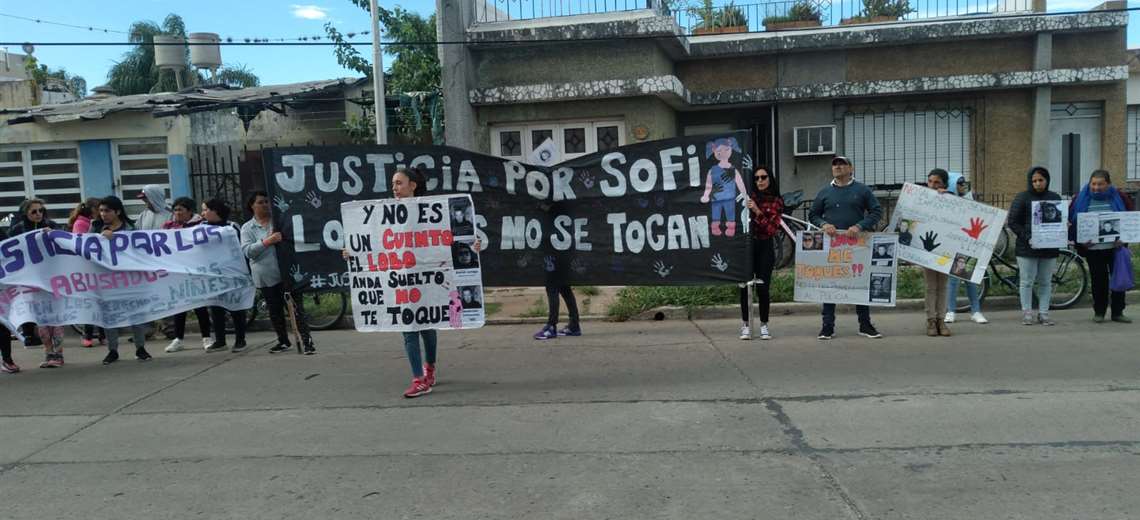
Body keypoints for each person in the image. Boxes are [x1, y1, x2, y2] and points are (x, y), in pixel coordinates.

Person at [342, 166, 481, 398]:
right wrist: (352, 251)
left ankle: (430, 369)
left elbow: (459, 237)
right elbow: (372, 242)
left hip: (427, 281)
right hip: (400, 281)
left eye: (399, 183)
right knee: (408, 328)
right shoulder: (382, 212)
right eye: (393, 183)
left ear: (412, 186)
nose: (394, 188)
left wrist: (475, 245)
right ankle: (418, 379)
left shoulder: (431, 210)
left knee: (427, 325)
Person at [808, 156, 884, 340]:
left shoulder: (862, 190)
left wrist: (860, 226)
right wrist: (823, 224)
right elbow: (813, 214)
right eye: (835, 164)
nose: (838, 167)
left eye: (842, 164)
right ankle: (827, 326)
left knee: (860, 283)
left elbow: (876, 211)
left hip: (857, 245)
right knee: (830, 283)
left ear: (851, 168)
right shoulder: (825, 192)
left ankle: (865, 324)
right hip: (833, 246)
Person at [241, 191, 316, 355]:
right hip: (266, 276)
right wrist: (267, 241)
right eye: (260, 202)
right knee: (275, 311)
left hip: (287, 274)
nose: (265, 205)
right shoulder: (247, 228)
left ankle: (307, 341)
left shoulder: (280, 221)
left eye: (267, 201)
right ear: (252, 206)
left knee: (296, 309)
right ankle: (283, 340)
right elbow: (248, 251)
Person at [1069, 170, 1134, 324]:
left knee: (1118, 278)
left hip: (1115, 248)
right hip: (1093, 249)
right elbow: (1072, 223)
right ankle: (1099, 312)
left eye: (1100, 184)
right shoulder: (1080, 198)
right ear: (1090, 183)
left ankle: (1118, 312)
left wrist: (1124, 238)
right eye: (1094, 184)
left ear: (1108, 184)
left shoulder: (1120, 197)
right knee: (1099, 281)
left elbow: (1130, 219)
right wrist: (1081, 241)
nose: (1096, 187)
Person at [93, 196, 152, 364]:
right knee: (110, 315)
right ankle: (112, 350)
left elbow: (138, 251)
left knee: (136, 314)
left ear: (117, 212)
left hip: (129, 278)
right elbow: (85, 247)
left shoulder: (130, 229)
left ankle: (140, 348)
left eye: (107, 211)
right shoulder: (95, 228)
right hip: (106, 280)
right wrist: (100, 238)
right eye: (101, 210)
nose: (103, 214)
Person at [1007, 166, 1062, 326]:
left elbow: (1059, 219)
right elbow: (1013, 222)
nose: (1037, 183)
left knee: (1045, 281)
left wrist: (1064, 225)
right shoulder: (1022, 197)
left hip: (1049, 247)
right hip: (1027, 248)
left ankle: (1044, 313)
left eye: (1041, 180)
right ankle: (1027, 313)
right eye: (1034, 180)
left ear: (1047, 180)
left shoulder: (1054, 197)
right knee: (1027, 281)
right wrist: (1028, 237)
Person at [7, 199, 61, 352]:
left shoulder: (51, 225)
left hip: (49, 274)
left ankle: (58, 351)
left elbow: (65, 241)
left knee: (52, 312)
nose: (39, 214)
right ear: (25, 214)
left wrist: (54, 234)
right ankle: (31, 334)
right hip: (27, 275)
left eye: (41, 210)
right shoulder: (17, 229)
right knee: (29, 305)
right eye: (34, 211)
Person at [162, 197, 213, 353]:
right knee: (180, 306)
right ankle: (178, 338)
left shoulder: (200, 225)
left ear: (190, 211)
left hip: (196, 270)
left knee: (200, 306)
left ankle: (206, 337)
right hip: (177, 270)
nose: (177, 213)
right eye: (175, 210)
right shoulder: (168, 227)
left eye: (180, 210)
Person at [739, 165, 783, 341]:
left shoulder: (776, 201)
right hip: (747, 247)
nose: (760, 181)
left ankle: (764, 324)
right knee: (745, 288)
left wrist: (757, 211)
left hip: (765, 246)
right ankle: (746, 325)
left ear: (769, 179)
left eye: (763, 177)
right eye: (756, 178)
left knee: (763, 288)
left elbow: (772, 228)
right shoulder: (748, 198)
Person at [202, 198, 248, 352]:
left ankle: (240, 339)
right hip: (212, 275)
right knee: (215, 308)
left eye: (205, 209)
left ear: (215, 211)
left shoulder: (232, 227)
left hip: (232, 274)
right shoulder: (200, 228)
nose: (203, 213)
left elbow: (241, 249)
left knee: (236, 307)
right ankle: (220, 341)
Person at [945, 172, 988, 325]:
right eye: (959, 183)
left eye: (964, 183)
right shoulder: (946, 200)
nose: (963, 186)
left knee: (971, 279)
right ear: (952, 185)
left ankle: (975, 311)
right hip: (953, 245)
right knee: (954, 279)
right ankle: (950, 311)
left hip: (971, 245)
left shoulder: (971, 199)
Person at [921, 169, 953, 337]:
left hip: (945, 250)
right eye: (930, 182)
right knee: (930, 286)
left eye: (937, 182)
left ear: (944, 184)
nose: (933, 186)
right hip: (927, 247)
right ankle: (931, 320)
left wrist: (949, 197)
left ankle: (942, 319)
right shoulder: (921, 199)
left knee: (943, 286)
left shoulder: (951, 199)